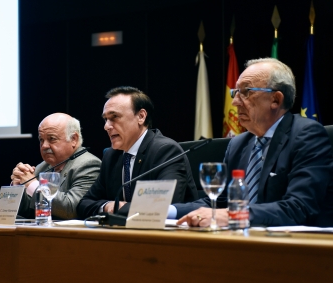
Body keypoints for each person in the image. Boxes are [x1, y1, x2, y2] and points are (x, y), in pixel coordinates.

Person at [175, 58, 333, 227]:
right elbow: (218, 203)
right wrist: (168, 211)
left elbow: (298, 208)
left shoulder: (307, 136)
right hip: (243, 240)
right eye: (235, 92)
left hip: (298, 246)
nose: (235, 102)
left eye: (246, 92)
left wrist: (232, 216)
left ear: (276, 100)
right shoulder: (239, 144)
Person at [77, 86, 198, 219]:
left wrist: (118, 208)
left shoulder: (166, 151)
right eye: (106, 119)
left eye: (114, 117)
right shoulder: (111, 156)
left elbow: (162, 206)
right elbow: (84, 204)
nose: (106, 126)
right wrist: (107, 205)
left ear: (141, 116)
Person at [11, 113, 101, 220]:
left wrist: (32, 184)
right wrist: (18, 187)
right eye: (41, 140)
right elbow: (29, 212)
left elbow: (72, 209)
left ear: (73, 139)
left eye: (52, 139)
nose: (44, 146)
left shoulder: (88, 164)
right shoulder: (43, 167)